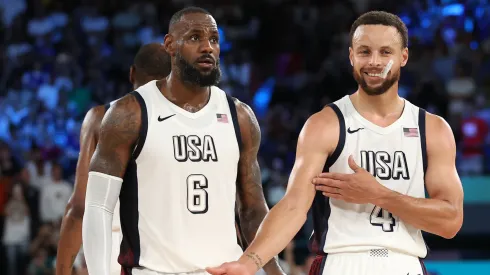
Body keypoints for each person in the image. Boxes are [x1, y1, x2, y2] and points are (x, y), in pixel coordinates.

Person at [206, 11, 464, 275]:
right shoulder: (325, 124)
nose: (374, 61)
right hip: (342, 262)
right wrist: (248, 263)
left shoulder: (432, 129)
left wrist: (378, 195)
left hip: (405, 262)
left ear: (404, 57)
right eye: (365, 52)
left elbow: (451, 221)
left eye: (385, 52)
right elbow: (294, 206)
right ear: (351, 56)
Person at [81, 6, 284, 275]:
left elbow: (253, 210)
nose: (207, 47)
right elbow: (97, 207)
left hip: (222, 269)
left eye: (213, 40)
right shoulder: (129, 114)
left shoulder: (240, 117)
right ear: (170, 45)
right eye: (194, 38)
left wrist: (274, 271)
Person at [56, 42, 172, 275]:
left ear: (132, 73)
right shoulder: (188, 124)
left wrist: (61, 271)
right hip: (173, 252)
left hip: (113, 250)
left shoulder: (101, 118)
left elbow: (80, 206)